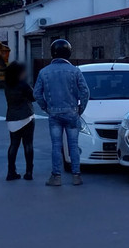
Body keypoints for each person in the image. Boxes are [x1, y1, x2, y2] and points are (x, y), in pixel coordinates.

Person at [34, 39, 90, 187]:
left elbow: (37, 93)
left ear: (52, 53)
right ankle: (76, 176)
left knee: (56, 145)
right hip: (72, 113)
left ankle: (56, 177)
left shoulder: (44, 72)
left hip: (54, 113)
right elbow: (85, 92)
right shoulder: (75, 71)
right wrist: (80, 109)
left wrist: (45, 107)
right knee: (73, 145)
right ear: (69, 53)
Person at [4, 61, 35, 181]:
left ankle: (11, 172)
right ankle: (29, 172)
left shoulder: (7, 84)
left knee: (13, 145)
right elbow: (33, 97)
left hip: (12, 118)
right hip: (27, 116)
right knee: (28, 144)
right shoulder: (23, 84)